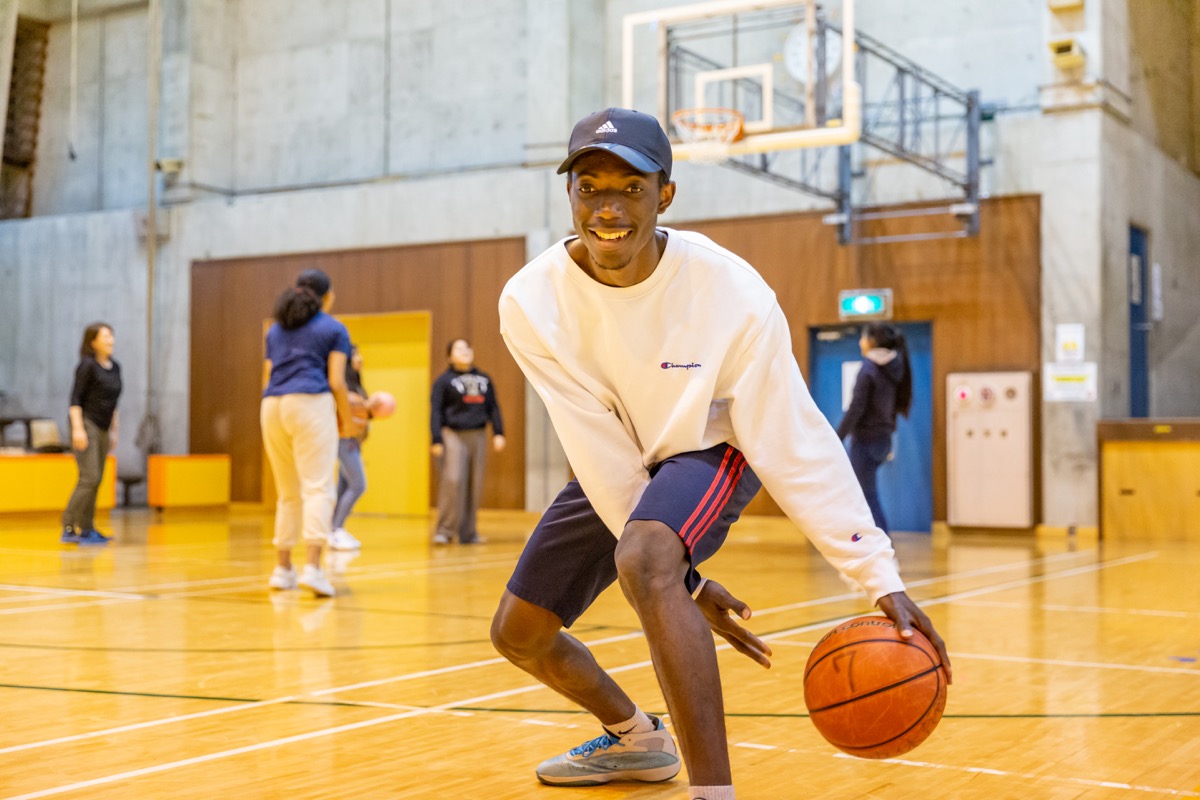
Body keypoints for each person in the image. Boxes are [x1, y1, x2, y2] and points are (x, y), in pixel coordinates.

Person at [490, 108, 952, 800]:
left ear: (666, 195)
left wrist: (875, 573)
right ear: (570, 194)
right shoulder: (531, 301)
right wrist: (691, 585)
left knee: (647, 557)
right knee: (519, 633)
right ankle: (636, 739)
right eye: (590, 188)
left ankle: (714, 793)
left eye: (632, 189)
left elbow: (791, 436)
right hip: (624, 454)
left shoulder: (730, 290)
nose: (609, 209)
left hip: (713, 444)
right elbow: (596, 446)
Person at [261, 269, 361, 597]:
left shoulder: (276, 330)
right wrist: (347, 421)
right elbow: (336, 382)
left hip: (272, 405)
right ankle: (314, 569)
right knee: (318, 488)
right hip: (309, 403)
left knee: (287, 491)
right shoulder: (334, 328)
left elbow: (267, 377)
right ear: (327, 296)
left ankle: (282, 569)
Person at [836, 323, 913, 535]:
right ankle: (870, 542)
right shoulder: (894, 367)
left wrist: (836, 437)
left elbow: (856, 408)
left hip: (866, 442)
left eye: (862, 337)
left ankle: (881, 544)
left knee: (865, 496)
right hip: (883, 440)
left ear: (871, 341)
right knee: (866, 494)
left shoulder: (869, 368)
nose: (860, 342)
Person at [429, 338, 505, 545]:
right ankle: (444, 530)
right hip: (453, 434)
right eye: (459, 348)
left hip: (478, 434)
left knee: (474, 484)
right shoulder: (444, 381)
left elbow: (493, 407)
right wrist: (436, 439)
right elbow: (435, 410)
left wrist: (498, 432)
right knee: (453, 481)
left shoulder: (484, 379)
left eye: (467, 347)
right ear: (449, 357)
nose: (465, 351)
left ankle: (468, 533)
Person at [61, 322, 122, 545]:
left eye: (111, 336)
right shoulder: (87, 366)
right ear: (93, 342)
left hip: (104, 427)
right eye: (105, 336)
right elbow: (75, 399)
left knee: (97, 480)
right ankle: (68, 525)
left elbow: (114, 402)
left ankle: (87, 528)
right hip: (86, 424)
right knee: (90, 477)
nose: (110, 340)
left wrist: (114, 431)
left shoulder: (115, 367)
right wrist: (78, 429)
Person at [330, 345, 369, 551]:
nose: (359, 357)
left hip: (355, 439)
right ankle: (335, 529)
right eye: (355, 354)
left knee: (344, 486)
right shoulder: (341, 385)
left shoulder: (356, 384)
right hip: (344, 438)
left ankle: (336, 529)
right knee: (358, 484)